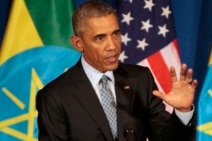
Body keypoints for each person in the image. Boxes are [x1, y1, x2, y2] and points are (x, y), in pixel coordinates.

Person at [36, 1, 198, 141]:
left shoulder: (141, 80)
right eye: (100, 38)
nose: (112, 46)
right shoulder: (54, 96)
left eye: (116, 34)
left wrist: (182, 112)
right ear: (78, 43)